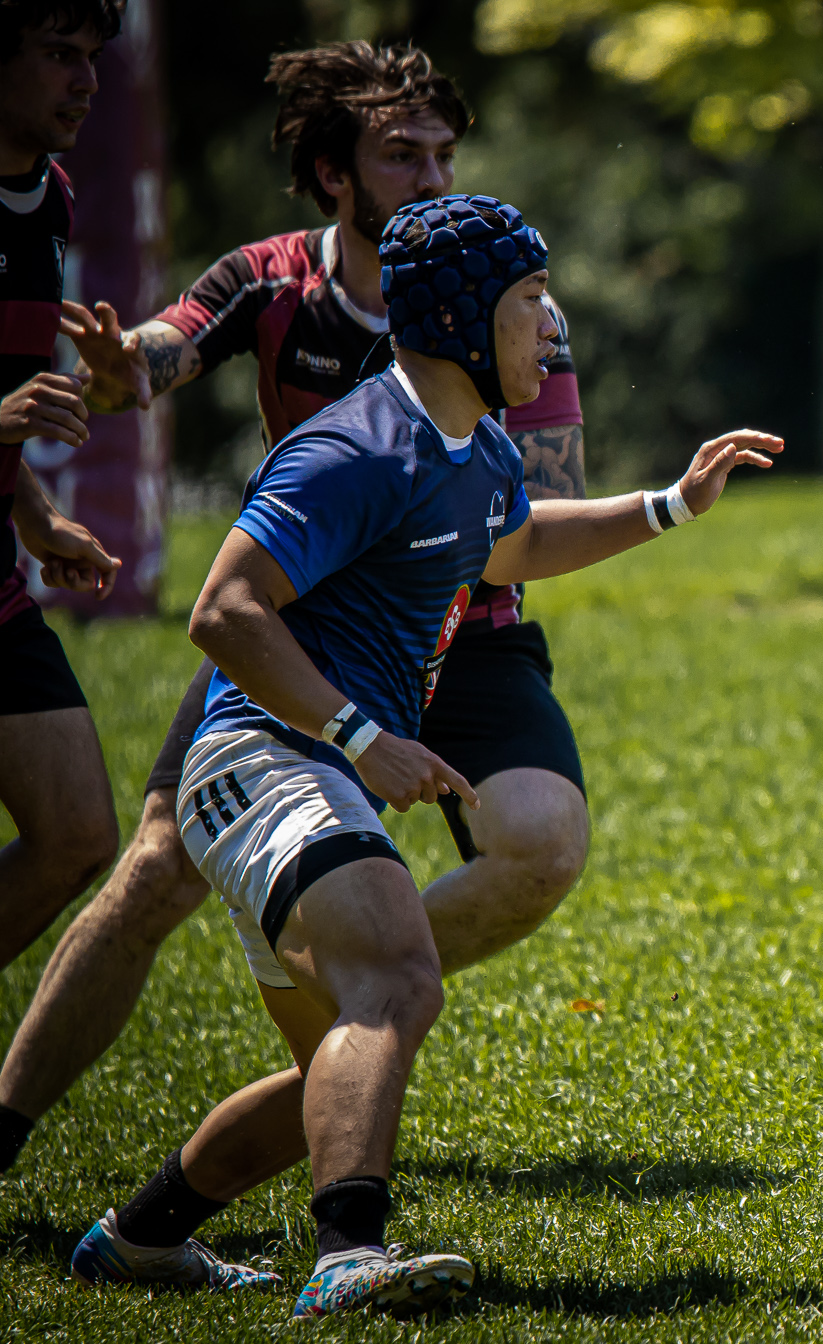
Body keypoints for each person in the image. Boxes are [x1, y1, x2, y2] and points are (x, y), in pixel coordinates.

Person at [67, 196, 780, 1318]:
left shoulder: (474, 445)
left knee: (336, 1065)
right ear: (459, 317)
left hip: (305, 770)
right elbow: (223, 610)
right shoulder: (357, 443)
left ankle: (139, 1239)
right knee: (400, 977)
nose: (551, 330)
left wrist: (668, 506)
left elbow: (517, 543)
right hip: (262, 757)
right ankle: (349, 1257)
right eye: (532, 303)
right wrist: (360, 735)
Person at [0, 41, 591, 1175]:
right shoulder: (272, 279)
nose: (431, 175)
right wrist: (126, 367)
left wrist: (654, 507)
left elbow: (536, 515)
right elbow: (158, 356)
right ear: (333, 174)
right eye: (399, 153)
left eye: (443, 153)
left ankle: (344, 948)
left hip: (472, 630)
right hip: (304, 639)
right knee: (149, 873)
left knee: (543, 844)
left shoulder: (506, 299)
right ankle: (9, 1127)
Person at [0, 1, 127, 973]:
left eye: (92, 57)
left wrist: (38, 519)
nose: (86, 80)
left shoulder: (51, 198)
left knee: (80, 833)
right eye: (58, 56)